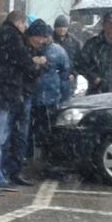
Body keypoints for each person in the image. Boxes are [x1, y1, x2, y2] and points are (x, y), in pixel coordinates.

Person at [0, 11, 43, 194]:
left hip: (2, 92)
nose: (25, 29)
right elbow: (26, 65)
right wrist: (36, 64)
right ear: (19, 22)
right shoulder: (12, 37)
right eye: (24, 25)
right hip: (4, 93)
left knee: (0, 138)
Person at [4, 18, 52, 186]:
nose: (40, 40)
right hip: (16, 94)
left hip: (26, 95)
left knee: (21, 135)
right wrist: (34, 63)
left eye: (43, 37)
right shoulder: (22, 47)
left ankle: (15, 170)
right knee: (10, 134)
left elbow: (43, 67)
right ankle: (7, 170)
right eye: (38, 36)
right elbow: (25, 68)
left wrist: (36, 64)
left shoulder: (38, 50)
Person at [28, 22, 71, 175]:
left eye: (45, 37)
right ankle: (36, 160)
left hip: (49, 98)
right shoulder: (34, 49)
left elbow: (65, 73)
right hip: (37, 96)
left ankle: (45, 160)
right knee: (35, 129)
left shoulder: (56, 51)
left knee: (46, 130)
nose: (43, 40)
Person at [78, 12, 112, 95]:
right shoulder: (92, 43)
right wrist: (93, 78)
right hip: (97, 90)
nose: (111, 25)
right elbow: (81, 64)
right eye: (108, 22)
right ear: (103, 24)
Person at [52, 14, 82, 89]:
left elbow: (79, 60)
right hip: (53, 79)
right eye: (59, 27)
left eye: (64, 27)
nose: (62, 29)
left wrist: (74, 74)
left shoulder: (74, 42)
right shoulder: (50, 41)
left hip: (70, 79)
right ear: (55, 28)